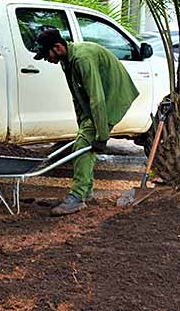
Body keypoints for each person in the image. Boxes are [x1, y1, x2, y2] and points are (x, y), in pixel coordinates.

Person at [33, 28, 139, 216]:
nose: (46, 59)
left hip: (113, 98)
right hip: (100, 101)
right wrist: (83, 121)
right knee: (85, 143)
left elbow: (96, 98)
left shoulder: (82, 59)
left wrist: (102, 135)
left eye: (46, 54)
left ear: (57, 47)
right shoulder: (66, 60)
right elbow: (78, 95)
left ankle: (77, 197)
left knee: (82, 147)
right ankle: (86, 192)